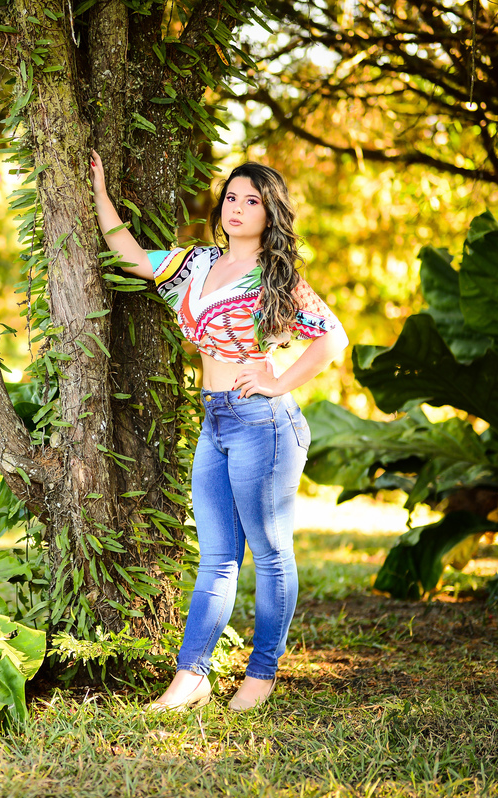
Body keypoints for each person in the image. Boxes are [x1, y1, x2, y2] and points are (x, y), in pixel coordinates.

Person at [89, 152, 349, 711]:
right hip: (215, 420)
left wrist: (279, 382)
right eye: (232, 197)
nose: (238, 207)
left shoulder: (277, 278)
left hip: (262, 423)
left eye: (252, 201)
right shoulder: (196, 263)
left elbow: (333, 339)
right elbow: (131, 256)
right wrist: (98, 188)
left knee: (272, 552)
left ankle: (261, 676)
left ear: (270, 213)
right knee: (217, 557)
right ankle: (193, 677)